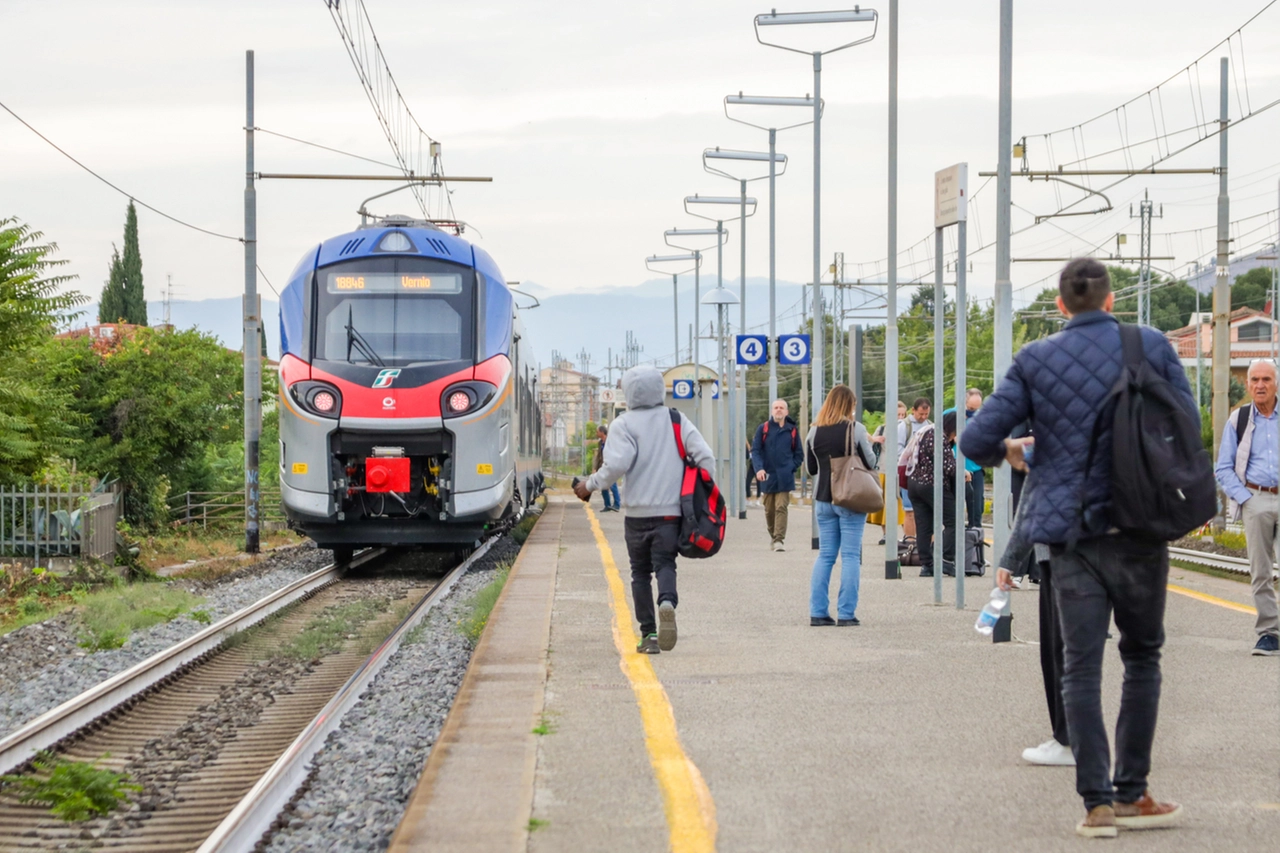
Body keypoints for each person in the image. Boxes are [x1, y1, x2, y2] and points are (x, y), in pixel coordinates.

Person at [961, 257, 1189, 838]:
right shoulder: (1152, 345)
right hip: (1139, 526)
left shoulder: (1036, 358)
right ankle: (1134, 793)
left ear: (1061, 306)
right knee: (1141, 657)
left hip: (1068, 534)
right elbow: (1184, 422)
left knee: (1079, 668)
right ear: (1111, 301)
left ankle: (1098, 806)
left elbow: (975, 439)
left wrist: (1015, 452)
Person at [574, 366, 715, 654]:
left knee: (639, 573)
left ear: (628, 392)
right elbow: (706, 457)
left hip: (637, 514)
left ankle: (649, 635)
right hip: (670, 514)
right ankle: (667, 601)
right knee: (665, 564)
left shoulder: (623, 424)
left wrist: (590, 485)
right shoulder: (676, 419)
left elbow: (615, 466)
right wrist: (704, 495)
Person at [996, 462, 1074, 767]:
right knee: (1138, 657)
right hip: (1115, 546)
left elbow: (1032, 502)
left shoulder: (1055, 425)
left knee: (1060, 652)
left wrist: (1010, 558)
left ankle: (1069, 741)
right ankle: (1131, 765)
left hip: (1060, 550)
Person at [1213, 359, 1280, 655]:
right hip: (1256, 498)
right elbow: (1223, 468)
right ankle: (1269, 633)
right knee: (1261, 571)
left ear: (1276, 382)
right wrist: (1246, 499)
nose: (1260, 385)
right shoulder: (1238, 419)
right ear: (1248, 384)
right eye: (1255, 380)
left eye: (1266, 379)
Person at [804, 384, 876, 626]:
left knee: (825, 556)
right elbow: (871, 461)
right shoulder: (856, 429)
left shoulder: (813, 433)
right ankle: (846, 614)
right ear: (849, 406)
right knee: (851, 556)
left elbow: (811, 469)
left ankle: (818, 612)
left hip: (823, 500)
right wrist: (868, 443)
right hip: (850, 499)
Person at [906, 410, 960, 578]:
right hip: (932, 484)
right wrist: (962, 471)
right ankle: (946, 559)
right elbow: (948, 466)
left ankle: (926, 565)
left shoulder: (926, 432)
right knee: (954, 521)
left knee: (924, 526)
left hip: (914, 483)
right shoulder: (939, 437)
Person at [751, 399, 803, 551]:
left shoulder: (792, 430)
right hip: (767, 476)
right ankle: (773, 536)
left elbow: (799, 454)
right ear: (772, 411)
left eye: (781, 408)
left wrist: (791, 467)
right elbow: (755, 451)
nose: (778, 410)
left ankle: (779, 540)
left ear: (786, 412)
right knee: (769, 509)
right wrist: (759, 469)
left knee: (781, 507)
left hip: (785, 476)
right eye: (776, 408)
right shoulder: (764, 429)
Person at [897, 398, 932, 538]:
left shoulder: (930, 426)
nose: (923, 417)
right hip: (908, 473)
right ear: (913, 410)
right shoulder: (904, 426)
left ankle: (926, 541)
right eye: (920, 414)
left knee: (926, 510)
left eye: (926, 414)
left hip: (925, 475)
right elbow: (898, 448)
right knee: (910, 510)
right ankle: (910, 542)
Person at [964, 388, 985, 529]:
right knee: (954, 509)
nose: (973, 412)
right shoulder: (950, 415)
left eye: (976, 409)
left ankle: (975, 538)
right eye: (971, 408)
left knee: (977, 507)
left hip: (976, 468)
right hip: (955, 468)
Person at [593, 424, 621, 512]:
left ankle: (617, 504)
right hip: (603, 467)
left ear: (602, 432)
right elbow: (599, 456)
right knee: (603, 486)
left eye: (597, 432)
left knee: (613, 486)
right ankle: (607, 505)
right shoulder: (600, 442)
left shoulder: (611, 441)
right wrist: (595, 468)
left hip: (611, 466)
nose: (596, 433)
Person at [745, 437, 760, 507]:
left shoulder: (760, 449)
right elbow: (748, 447)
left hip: (758, 467)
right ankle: (748, 499)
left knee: (759, 483)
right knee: (747, 482)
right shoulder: (752, 449)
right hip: (751, 466)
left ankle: (758, 499)